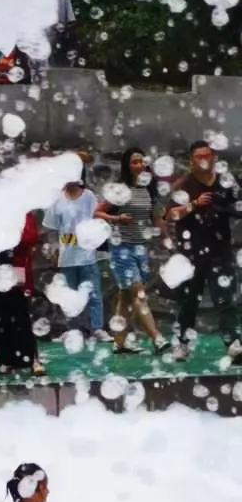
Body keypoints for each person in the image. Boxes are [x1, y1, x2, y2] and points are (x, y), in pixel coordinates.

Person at [163, 140, 242, 361]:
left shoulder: (226, 182)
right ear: (191, 160)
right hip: (191, 253)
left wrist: (227, 207)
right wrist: (194, 205)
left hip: (220, 250)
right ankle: (182, 344)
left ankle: (234, 343)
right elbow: (170, 215)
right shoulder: (183, 184)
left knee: (225, 299)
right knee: (188, 302)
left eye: (208, 155)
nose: (205, 160)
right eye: (199, 156)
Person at [99, 147, 168, 355]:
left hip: (140, 247)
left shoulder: (149, 189)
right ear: (127, 166)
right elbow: (98, 212)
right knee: (138, 294)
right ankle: (157, 338)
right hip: (121, 248)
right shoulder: (121, 189)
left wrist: (168, 239)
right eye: (134, 162)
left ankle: (119, 342)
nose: (139, 165)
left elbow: (157, 218)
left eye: (142, 161)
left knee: (126, 297)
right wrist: (117, 219)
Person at [43, 173, 109, 340]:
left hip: (88, 254)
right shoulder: (57, 199)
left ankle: (97, 328)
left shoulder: (89, 196)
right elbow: (52, 228)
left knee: (94, 292)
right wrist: (54, 248)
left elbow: (98, 218)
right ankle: (72, 329)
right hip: (67, 255)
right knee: (69, 295)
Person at [0, 214, 45, 376]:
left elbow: (30, 236)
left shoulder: (21, 209)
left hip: (16, 265)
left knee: (21, 313)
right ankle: (5, 360)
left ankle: (32, 358)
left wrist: (10, 234)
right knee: (0, 315)